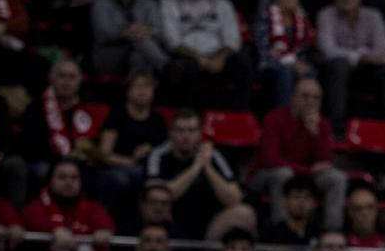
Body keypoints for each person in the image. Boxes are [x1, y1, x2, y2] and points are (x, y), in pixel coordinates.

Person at [146, 108, 257, 240]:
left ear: (200, 133)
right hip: (170, 223)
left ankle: (210, 250)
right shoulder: (158, 155)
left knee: (245, 213)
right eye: (180, 130)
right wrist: (196, 167)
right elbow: (158, 196)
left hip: (209, 225)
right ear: (171, 133)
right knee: (156, 208)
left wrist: (208, 168)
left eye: (191, 130)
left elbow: (234, 198)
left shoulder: (212, 155)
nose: (186, 136)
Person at [251, 78, 347, 230]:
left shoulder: (322, 124)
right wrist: (308, 170)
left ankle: (332, 233)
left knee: (336, 178)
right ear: (293, 97)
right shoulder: (274, 118)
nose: (311, 102)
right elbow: (271, 160)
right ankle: (282, 231)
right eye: (305, 96)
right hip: (266, 176)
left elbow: (326, 163)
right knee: (283, 174)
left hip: (304, 176)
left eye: (316, 98)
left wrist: (314, 134)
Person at [159, 0, 252, 110]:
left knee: (243, 64)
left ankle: (238, 116)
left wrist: (220, 58)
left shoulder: (223, 4)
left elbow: (232, 38)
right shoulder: (169, 4)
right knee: (185, 68)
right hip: (187, 58)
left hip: (218, 57)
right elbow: (172, 41)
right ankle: (189, 116)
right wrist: (199, 59)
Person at [317, 0, 385, 131]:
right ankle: (336, 127)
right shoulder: (326, 15)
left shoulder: (373, 16)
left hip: (366, 72)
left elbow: (383, 50)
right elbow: (328, 50)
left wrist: (361, 58)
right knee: (339, 65)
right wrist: (363, 56)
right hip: (334, 72)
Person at [21, 158, 115, 251]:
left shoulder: (92, 207)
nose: (68, 182)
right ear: (50, 180)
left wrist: (105, 231)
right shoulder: (36, 207)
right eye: (62, 177)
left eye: (74, 178)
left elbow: (105, 224)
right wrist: (54, 230)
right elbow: (32, 219)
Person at [95, 75, 166, 209]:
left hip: (147, 169)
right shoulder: (116, 116)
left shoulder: (158, 120)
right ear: (128, 91)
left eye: (147, 87)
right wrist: (132, 161)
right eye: (137, 86)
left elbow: (164, 150)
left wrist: (150, 149)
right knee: (126, 177)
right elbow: (104, 154)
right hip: (115, 168)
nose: (142, 91)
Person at [92, 0, 169, 76]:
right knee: (140, 41)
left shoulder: (148, 3)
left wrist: (145, 30)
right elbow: (102, 33)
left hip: (142, 52)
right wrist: (126, 32)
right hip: (109, 55)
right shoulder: (101, 4)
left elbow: (159, 32)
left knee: (139, 55)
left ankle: (140, 85)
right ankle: (166, 67)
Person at [256, 0, 316, 108]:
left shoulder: (302, 20)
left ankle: (308, 113)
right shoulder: (266, 17)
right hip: (270, 65)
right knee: (285, 74)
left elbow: (303, 50)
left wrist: (300, 64)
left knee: (310, 72)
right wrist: (290, 64)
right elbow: (264, 51)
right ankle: (284, 115)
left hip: (296, 64)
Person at [262, 175, 322, 251]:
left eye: (306, 198)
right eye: (296, 197)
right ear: (285, 200)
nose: (301, 203)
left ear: (314, 204)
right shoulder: (273, 232)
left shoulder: (320, 232)